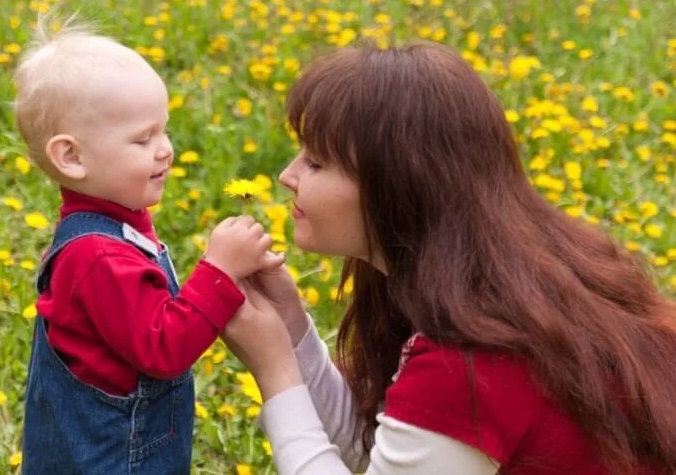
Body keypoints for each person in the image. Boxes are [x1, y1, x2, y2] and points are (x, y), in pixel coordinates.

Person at [222, 42, 676, 474]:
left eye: (317, 163)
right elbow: (376, 447)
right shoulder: (473, 279)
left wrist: (275, 371)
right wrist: (292, 332)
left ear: (397, 184)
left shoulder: (471, 353)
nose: (287, 175)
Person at [13, 21, 282, 473]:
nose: (166, 151)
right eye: (144, 139)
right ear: (72, 158)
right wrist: (219, 271)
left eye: (165, 131)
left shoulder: (114, 228)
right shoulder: (97, 257)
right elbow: (163, 347)